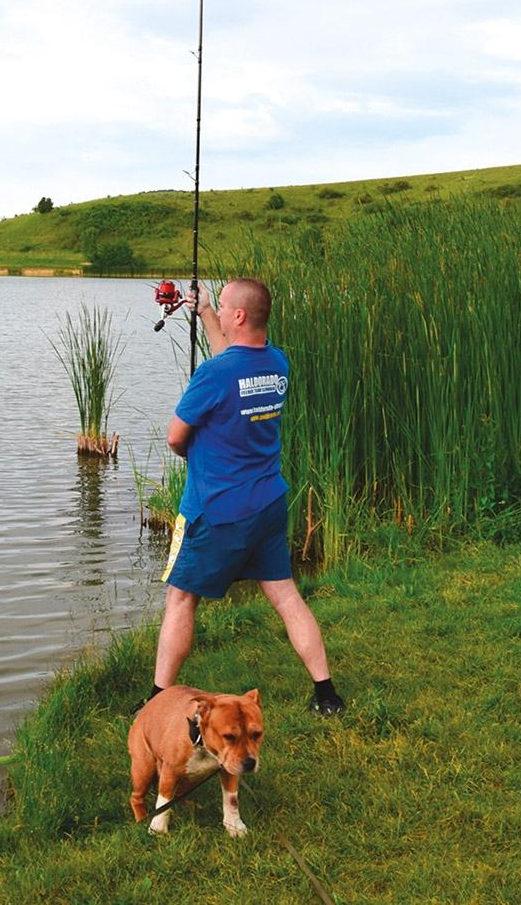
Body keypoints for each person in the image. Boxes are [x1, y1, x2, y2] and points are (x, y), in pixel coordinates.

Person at [148, 277, 345, 716]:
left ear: (238, 315)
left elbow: (175, 437)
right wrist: (203, 311)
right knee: (286, 596)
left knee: (181, 598)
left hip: (216, 509)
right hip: (267, 503)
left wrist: (190, 451)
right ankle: (326, 694)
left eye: (221, 305)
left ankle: (157, 700)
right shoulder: (277, 362)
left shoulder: (212, 374)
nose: (218, 309)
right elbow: (233, 359)